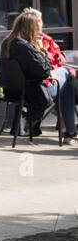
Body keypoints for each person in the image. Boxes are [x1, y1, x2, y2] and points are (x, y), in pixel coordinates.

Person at [0, 9, 56, 139]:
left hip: (10, 90)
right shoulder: (24, 47)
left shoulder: (7, 42)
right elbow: (44, 71)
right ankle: (67, 130)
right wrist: (42, 49)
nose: (38, 32)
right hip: (28, 91)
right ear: (30, 28)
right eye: (36, 28)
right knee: (67, 83)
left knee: (64, 82)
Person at [33, 8, 78, 141]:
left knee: (67, 83)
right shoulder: (34, 44)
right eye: (38, 20)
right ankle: (69, 129)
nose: (40, 24)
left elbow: (60, 59)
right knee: (67, 83)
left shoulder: (46, 40)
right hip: (43, 86)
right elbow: (44, 67)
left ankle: (68, 129)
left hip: (43, 84)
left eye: (40, 20)